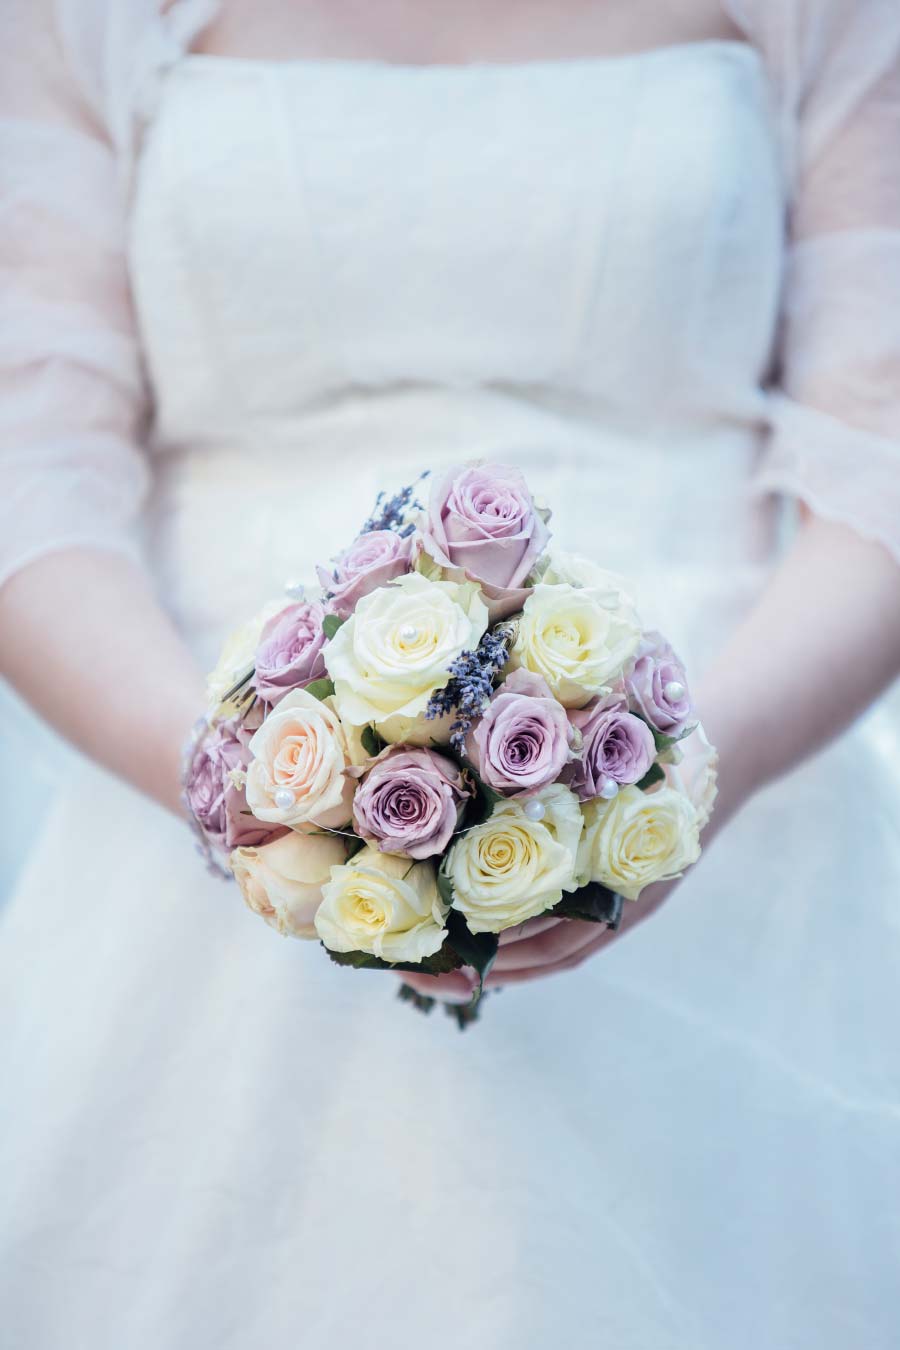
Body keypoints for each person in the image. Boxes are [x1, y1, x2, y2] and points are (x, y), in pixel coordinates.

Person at [1, 2, 899, 1346]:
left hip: (720, 790)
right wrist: (241, 790)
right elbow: (31, 465)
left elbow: (879, 445)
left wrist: (684, 785)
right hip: (195, 812)